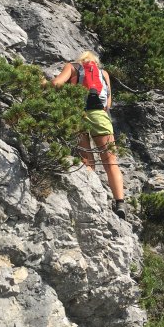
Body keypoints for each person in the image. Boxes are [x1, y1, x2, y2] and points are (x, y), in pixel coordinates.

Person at [50, 51, 126, 219]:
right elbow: (108, 103)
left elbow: (56, 83)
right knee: (110, 161)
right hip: (100, 115)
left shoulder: (73, 67)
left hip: (78, 113)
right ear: (95, 62)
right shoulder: (103, 73)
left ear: (80, 60)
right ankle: (120, 202)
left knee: (86, 159)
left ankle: (91, 195)